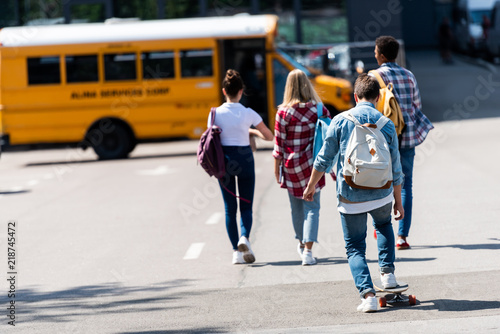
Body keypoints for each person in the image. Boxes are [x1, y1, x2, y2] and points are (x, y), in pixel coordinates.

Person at [303, 73, 404, 313]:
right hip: (382, 191)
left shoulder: (340, 121)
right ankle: (388, 274)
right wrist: (398, 202)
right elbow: (396, 168)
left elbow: (323, 159)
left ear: (355, 97)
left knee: (355, 246)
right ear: (378, 97)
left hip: (350, 193)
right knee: (384, 226)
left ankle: (368, 295)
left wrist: (310, 187)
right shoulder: (386, 124)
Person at [372, 36, 434, 250]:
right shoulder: (409, 75)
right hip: (407, 137)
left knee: (380, 184)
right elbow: (417, 105)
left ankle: (381, 230)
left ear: (380, 54)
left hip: (382, 140)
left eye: (375, 51)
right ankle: (402, 237)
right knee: (405, 185)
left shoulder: (374, 76)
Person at [210, 69, 274, 265]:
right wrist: (251, 131)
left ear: (224, 91)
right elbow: (270, 136)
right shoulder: (248, 113)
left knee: (230, 208)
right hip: (245, 159)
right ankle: (244, 237)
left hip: (225, 161)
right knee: (246, 206)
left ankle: (235, 252)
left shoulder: (215, 113)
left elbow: (212, 139)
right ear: (241, 91)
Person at [272, 69, 331, 266]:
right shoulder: (320, 109)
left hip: (291, 166)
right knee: (312, 208)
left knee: (296, 207)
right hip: (314, 166)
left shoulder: (283, 112)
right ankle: (308, 250)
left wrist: (276, 170)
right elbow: (329, 138)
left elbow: (278, 145)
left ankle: (300, 242)